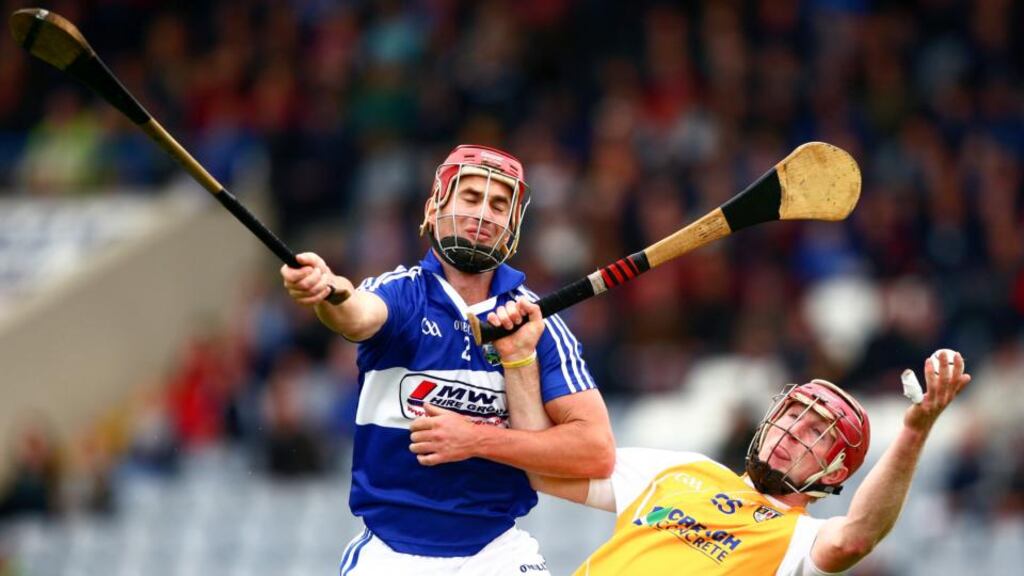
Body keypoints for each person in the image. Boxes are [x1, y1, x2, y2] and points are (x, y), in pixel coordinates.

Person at [281, 144, 615, 575]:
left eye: (499, 205)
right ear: (434, 208)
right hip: (390, 557)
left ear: (512, 225)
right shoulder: (402, 294)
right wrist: (328, 291)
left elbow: (596, 451)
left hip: (497, 554)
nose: (484, 215)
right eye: (472, 198)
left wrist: (475, 440)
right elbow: (357, 314)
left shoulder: (538, 323)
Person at [484, 298, 972, 575]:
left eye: (814, 432)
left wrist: (915, 429)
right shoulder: (681, 470)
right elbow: (541, 466)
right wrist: (520, 357)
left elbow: (858, 537)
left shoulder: (800, 542)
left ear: (837, 470)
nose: (790, 432)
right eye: (793, 414)